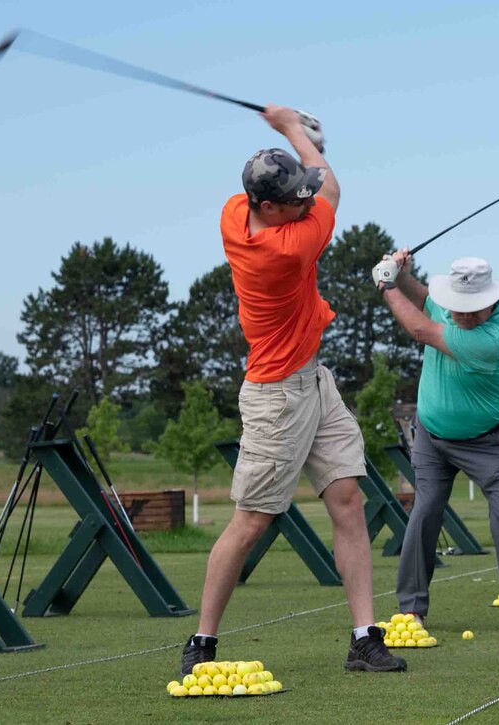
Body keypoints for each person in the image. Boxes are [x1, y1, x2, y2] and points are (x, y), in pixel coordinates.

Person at [181, 106, 405, 676]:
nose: (307, 202)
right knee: (252, 520)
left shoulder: (236, 211)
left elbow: (314, 180)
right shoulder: (288, 249)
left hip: (314, 381)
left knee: (348, 500)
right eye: (296, 200)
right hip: (276, 396)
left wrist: (297, 142)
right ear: (269, 207)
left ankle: (363, 637)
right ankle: (202, 642)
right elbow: (333, 182)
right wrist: (289, 129)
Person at [372, 252, 499, 630]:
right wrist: (403, 274)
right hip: (433, 437)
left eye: (474, 309)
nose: (465, 315)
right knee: (425, 513)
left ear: (492, 302)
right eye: (459, 307)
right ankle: (411, 609)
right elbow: (425, 300)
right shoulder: (447, 307)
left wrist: (387, 287)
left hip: (488, 441)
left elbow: (421, 329)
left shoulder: (493, 337)